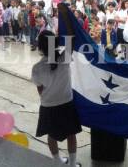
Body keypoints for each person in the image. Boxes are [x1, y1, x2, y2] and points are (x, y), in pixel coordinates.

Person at [32, 30, 82, 167]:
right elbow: (71, 37)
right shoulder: (64, 57)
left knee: (51, 135)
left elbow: (40, 89)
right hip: (66, 103)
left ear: (40, 47)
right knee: (71, 135)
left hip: (48, 106)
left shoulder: (37, 68)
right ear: (55, 43)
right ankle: (72, 164)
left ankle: (58, 162)